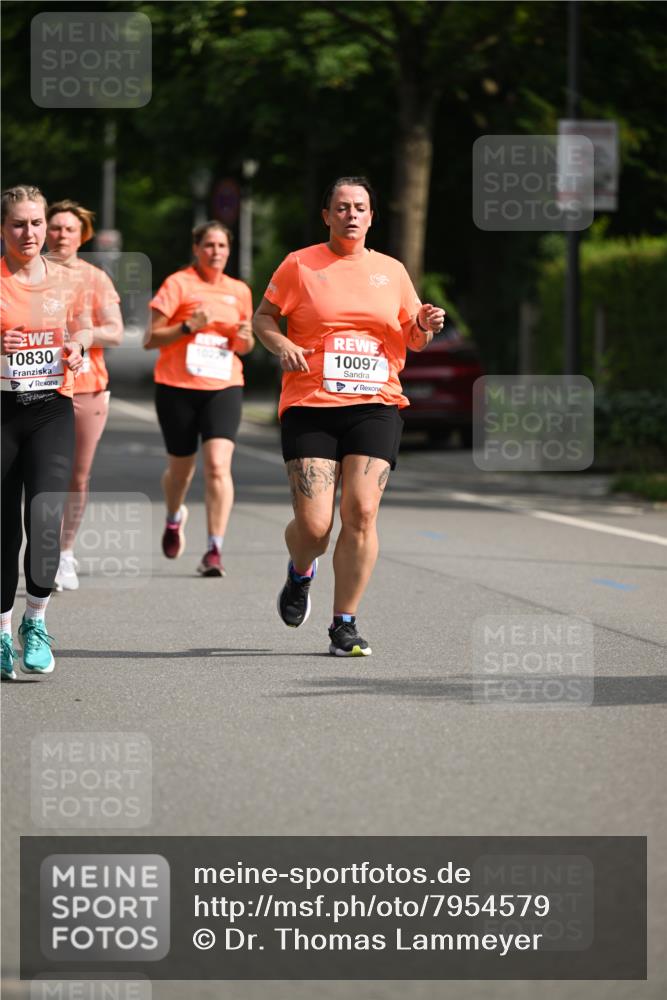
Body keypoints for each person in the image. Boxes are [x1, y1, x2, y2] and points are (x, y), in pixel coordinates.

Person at [253, 176, 445, 656]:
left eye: (360, 207)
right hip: (311, 404)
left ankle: (345, 624)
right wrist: (283, 344)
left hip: (375, 403)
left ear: (372, 216)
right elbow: (263, 318)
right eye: (341, 207)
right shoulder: (300, 264)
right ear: (327, 215)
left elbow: (412, 337)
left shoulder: (392, 271)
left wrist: (422, 325)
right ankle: (301, 571)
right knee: (315, 528)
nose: (351, 215)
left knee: (360, 512)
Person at [1, 185, 91, 678]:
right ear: (3, 229)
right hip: (1, 412)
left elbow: (85, 327)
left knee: (45, 519)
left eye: (37, 223)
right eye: (19, 223)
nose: (31, 232)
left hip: (51, 409)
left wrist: (78, 345)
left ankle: (34, 621)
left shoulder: (65, 280)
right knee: (1, 531)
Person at [144, 220, 254, 576]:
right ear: (196, 248)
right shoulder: (178, 284)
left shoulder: (239, 291)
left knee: (219, 466)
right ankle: (174, 516)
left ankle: (214, 550)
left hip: (224, 386)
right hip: (177, 387)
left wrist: (243, 339)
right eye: (209, 245)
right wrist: (190, 325)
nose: (216, 252)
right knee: (181, 471)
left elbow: (247, 344)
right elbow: (151, 338)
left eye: (222, 246)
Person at [45, 199, 124, 591]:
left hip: (87, 387)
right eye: (55, 228)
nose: (61, 235)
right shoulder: (25, 275)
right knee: (37, 475)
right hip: (34, 386)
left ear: (82, 235)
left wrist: (87, 335)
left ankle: (65, 553)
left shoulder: (94, 278)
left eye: (69, 229)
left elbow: (116, 330)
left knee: (76, 476)